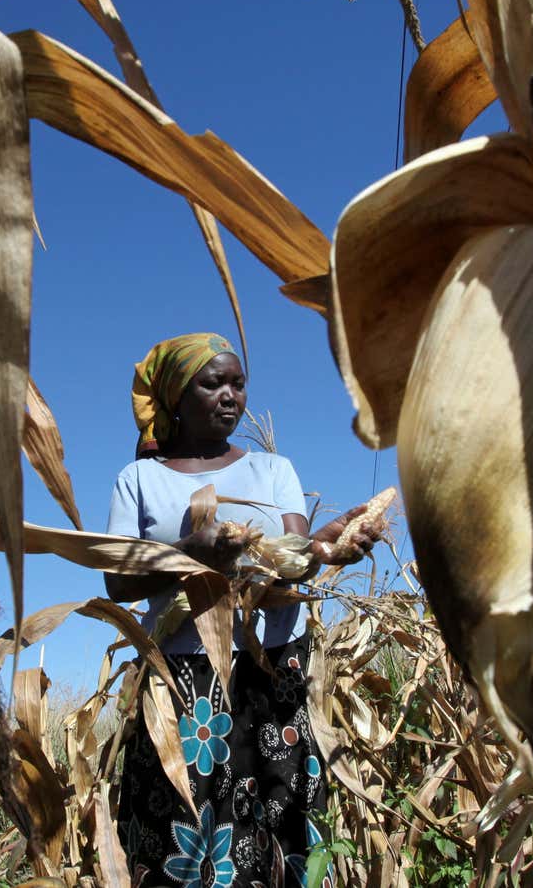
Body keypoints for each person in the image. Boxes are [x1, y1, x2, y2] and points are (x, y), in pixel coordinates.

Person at [105, 332, 379, 888]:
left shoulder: (276, 470)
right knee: (185, 824)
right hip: (182, 678)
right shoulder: (139, 479)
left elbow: (295, 562)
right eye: (213, 384)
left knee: (279, 825)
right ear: (178, 396)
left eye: (238, 384)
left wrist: (327, 547)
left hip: (272, 670)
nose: (231, 396)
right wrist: (190, 555)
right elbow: (117, 581)